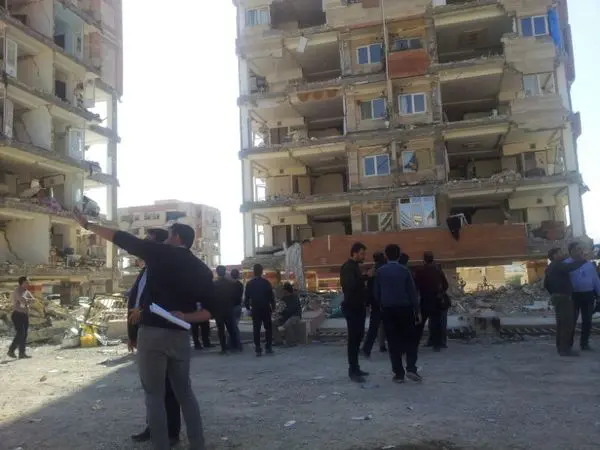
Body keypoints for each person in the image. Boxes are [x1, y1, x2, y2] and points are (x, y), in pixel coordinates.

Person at [72, 209, 214, 450]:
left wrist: (88, 224)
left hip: (153, 333)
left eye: (169, 234)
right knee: (185, 393)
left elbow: (122, 238)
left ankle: (161, 445)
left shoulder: (160, 253)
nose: (166, 238)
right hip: (180, 335)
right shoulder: (202, 270)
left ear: (177, 237)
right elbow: (209, 312)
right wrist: (185, 316)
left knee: (154, 396)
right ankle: (197, 444)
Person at [128, 229, 181, 446]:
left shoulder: (164, 273)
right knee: (151, 387)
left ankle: (171, 433)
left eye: (148, 242)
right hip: (144, 333)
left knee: (167, 387)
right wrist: (132, 335)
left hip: (161, 334)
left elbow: (163, 305)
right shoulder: (145, 272)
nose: (143, 245)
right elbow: (135, 302)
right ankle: (153, 427)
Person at [375, 244, 421, 383]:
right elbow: (412, 292)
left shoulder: (380, 272)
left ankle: (399, 374)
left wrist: (380, 307)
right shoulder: (404, 270)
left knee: (393, 342)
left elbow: (376, 293)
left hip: (388, 310)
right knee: (410, 340)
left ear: (386, 256)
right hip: (405, 309)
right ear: (399, 255)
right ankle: (411, 368)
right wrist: (417, 311)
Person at [544, 247, 586, 356]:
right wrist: (582, 260)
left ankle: (561, 347)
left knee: (561, 323)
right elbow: (570, 267)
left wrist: (554, 293)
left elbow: (546, 284)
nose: (563, 254)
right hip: (563, 297)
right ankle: (565, 350)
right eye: (560, 253)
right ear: (555, 255)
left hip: (557, 296)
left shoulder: (550, 267)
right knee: (566, 324)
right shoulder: (558, 265)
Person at [340, 242, 369, 383]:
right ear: (355, 253)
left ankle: (356, 368)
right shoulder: (348, 267)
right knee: (353, 339)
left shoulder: (354, 267)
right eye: (362, 254)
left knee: (358, 338)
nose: (363, 256)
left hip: (358, 307)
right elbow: (350, 286)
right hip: (352, 308)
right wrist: (365, 277)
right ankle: (353, 370)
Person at [564, 242, 600, 351]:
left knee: (587, 320)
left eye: (580, 249)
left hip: (588, 295)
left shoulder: (588, 264)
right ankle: (568, 344)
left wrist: (599, 294)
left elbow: (595, 280)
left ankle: (584, 343)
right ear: (570, 251)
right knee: (571, 320)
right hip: (573, 296)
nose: (579, 251)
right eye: (576, 249)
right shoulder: (565, 264)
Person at [414, 251, 449, 352]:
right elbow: (445, 285)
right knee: (436, 323)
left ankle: (415, 344)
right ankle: (437, 345)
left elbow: (416, 286)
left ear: (424, 259)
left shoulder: (420, 271)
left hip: (425, 300)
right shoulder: (438, 270)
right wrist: (440, 292)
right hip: (436, 300)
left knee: (420, 324)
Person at [244, 264, 275, 356]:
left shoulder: (250, 283)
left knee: (256, 328)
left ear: (254, 272)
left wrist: (248, 308)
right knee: (268, 328)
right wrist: (273, 307)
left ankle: (258, 348)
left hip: (255, 308)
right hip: (266, 308)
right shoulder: (266, 283)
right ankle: (268, 347)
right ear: (261, 272)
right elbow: (271, 297)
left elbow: (246, 298)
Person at [362, 251, 387, 358]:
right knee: (392, 327)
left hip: (376, 304)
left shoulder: (373, 271)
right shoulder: (386, 269)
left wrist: (368, 303)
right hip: (387, 303)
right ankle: (398, 349)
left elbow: (369, 289)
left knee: (373, 328)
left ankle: (366, 349)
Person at [213, 265, 241, 354]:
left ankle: (223, 348)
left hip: (218, 310)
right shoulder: (231, 284)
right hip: (229, 308)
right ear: (225, 272)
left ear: (217, 272)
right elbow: (234, 296)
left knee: (221, 330)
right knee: (231, 329)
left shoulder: (214, 284)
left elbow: (211, 298)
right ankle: (235, 346)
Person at [7, 276, 34, 359]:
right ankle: (11, 350)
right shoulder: (17, 290)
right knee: (20, 333)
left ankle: (22, 353)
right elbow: (22, 300)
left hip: (25, 314)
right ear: (22, 282)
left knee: (24, 334)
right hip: (17, 315)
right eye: (27, 282)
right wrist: (28, 300)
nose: (28, 283)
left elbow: (33, 300)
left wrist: (28, 300)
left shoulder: (26, 291)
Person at [274, 282, 302, 346]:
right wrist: (278, 313)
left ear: (286, 290)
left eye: (283, 290)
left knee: (287, 324)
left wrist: (281, 312)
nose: (283, 291)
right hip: (286, 316)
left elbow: (291, 309)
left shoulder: (295, 297)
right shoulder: (284, 298)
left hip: (295, 316)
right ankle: (278, 341)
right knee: (273, 323)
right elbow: (281, 308)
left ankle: (291, 342)